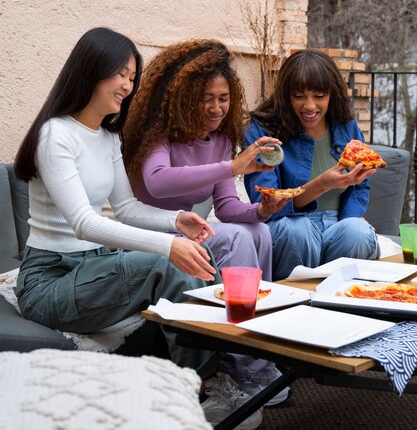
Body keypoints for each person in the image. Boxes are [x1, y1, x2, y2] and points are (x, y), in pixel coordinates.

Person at [13, 27, 223, 373]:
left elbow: (125, 209)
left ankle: (218, 368)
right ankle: (199, 383)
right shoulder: (55, 134)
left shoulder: (108, 137)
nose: (128, 85)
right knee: (167, 261)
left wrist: (176, 221)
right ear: (92, 70)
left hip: (93, 268)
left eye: (132, 77)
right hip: (50, 280)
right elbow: (83, 223)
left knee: (201, 255)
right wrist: (167, 247)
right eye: (120, 74)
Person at [123, 38, 293, 416]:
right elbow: (158, 181)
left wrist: (262, 209)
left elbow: (228, 207)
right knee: (233, 237)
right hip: (147, 237)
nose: (217, 108)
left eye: (223, 98)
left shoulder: (218, 140)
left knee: (256, 232)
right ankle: (246, 371)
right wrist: (234, 167)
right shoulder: (158, 136)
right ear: (183, 97)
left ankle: (253, 355)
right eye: (206, 99)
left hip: (189, 234)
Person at [244, 48, 380, 281]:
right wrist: (321, 184)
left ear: (331, 94)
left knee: (356, 231)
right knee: (299, 231)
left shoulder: (347, 127)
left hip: (338, 225)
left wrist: (352, 217)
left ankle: (341, 306)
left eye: (319, 96)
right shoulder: (262, 131)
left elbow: (360, 188)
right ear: (286, 94)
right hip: (289, 227)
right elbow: (265, 201)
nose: (309, 106)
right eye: (299, 96)